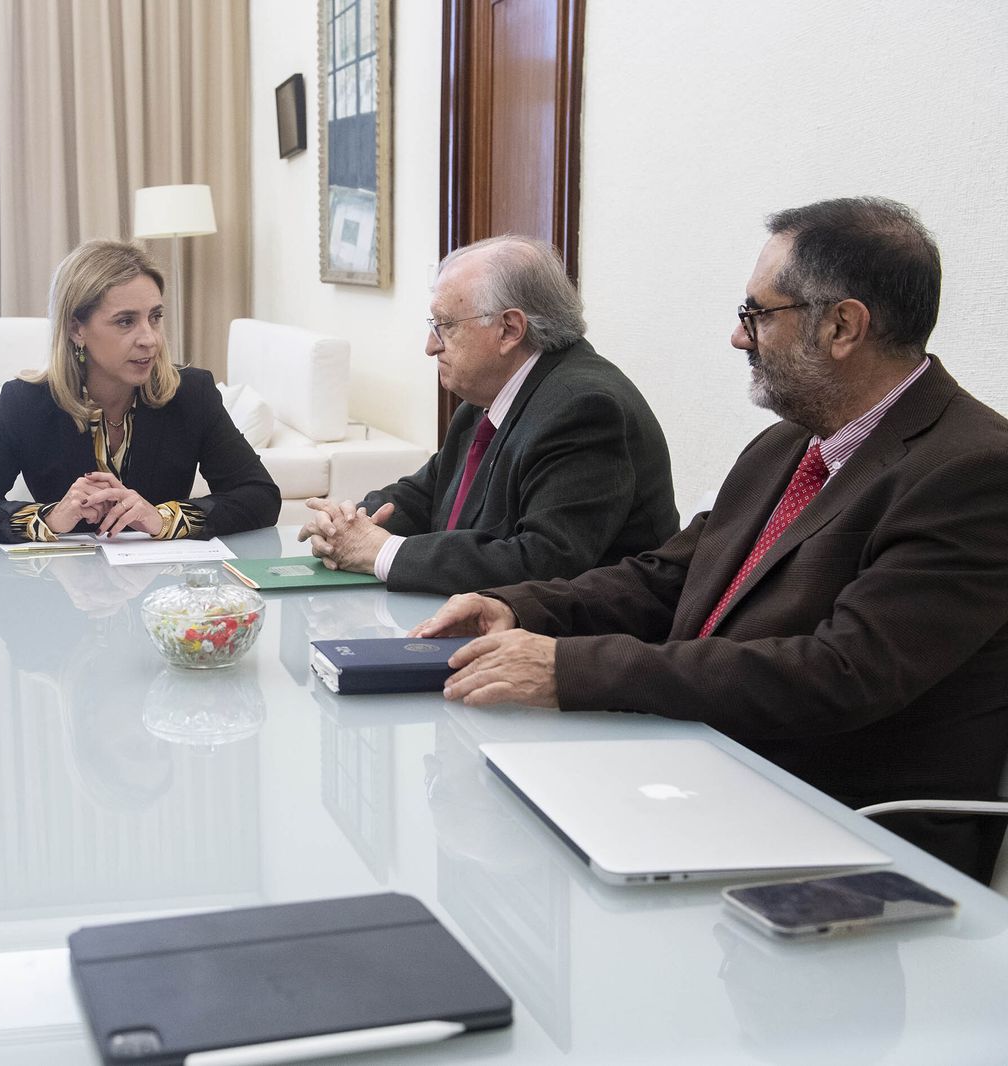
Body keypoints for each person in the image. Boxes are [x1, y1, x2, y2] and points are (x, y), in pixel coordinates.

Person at [414, 197, 1008, 882]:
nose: (737, 336)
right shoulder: (786, 445)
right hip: (707, 772)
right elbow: (664, 577)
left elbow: (838, 675)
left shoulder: (972, 472)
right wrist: (520, 607)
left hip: (845, 835)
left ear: (843, 325)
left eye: (757, 313)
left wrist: (571, 669)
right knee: (490, 813)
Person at [299, 235, 678, 595]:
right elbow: (424, 495)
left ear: (509, 329)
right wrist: (350, 524)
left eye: (445, 325)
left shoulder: (586, 409)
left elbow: (542, 563)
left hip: (579, 647)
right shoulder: (488, 398)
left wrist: (381, 552)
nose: (431, 346)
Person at [0, 240, 279, 541]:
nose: (150, 338)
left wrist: (163, 519)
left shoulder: (191, 394)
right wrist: (49, 518)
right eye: (126, 321)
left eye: (155, 317)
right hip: (64, 597)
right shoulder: (27, 403)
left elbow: (261, 497)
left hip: (162, 599)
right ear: (76, 329)